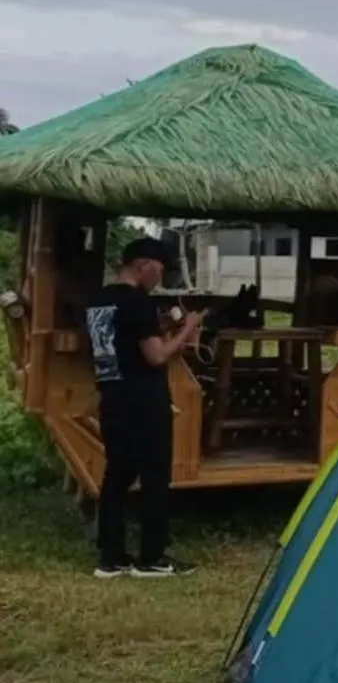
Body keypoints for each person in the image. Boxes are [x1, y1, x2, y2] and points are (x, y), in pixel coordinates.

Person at [85, 238, 206, 579]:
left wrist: (162, 327)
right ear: (144, 265)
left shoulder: (98, 300)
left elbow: (125, 340)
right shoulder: (137, 303)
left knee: (116, 478)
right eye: (160, 271)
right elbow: (156, 356)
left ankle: (111, 558)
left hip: (112, 397)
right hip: (144, 401)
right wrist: (188, 329)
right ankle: (152, 558)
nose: (160, 279)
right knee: (155, 478)